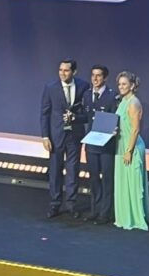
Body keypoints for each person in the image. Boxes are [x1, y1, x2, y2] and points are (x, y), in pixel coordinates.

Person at [40, 59, 90, 218]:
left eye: (66, 70)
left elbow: (86, 113)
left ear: (74, 72)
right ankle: (55, 204)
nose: (62, 73)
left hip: (74, 135)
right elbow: (45, 112)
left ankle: (71, 204)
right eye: (60, 70)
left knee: (73, 170)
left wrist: (76, 117)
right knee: (55, 170)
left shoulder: (83, 86)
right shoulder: (50, 87)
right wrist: (45, 136)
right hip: (56, 135)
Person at [113, 71, 149, 230]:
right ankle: (124, 216)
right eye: (119, 84)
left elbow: (135, 129)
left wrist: (129, 151)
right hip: (121, 145)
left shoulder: (134, 103)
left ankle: (134, 218)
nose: (121, 87)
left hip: (132, 147)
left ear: (132, 85)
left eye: (124, 84)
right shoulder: (122, 101)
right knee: (123, 182)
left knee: (132, 183)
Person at [81, 64, 119, 225]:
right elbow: (86, 116)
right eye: (93, 75)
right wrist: (72, 118)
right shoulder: (87, 94)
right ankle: (95, 210)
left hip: (106, 145)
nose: (95, 79)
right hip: (91, 144)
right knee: (94, 178)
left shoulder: (113, 96)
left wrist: (116, 129)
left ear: (105, 78)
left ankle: (106, 212)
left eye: (98, 76)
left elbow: (117, 117)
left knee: (107, 179)